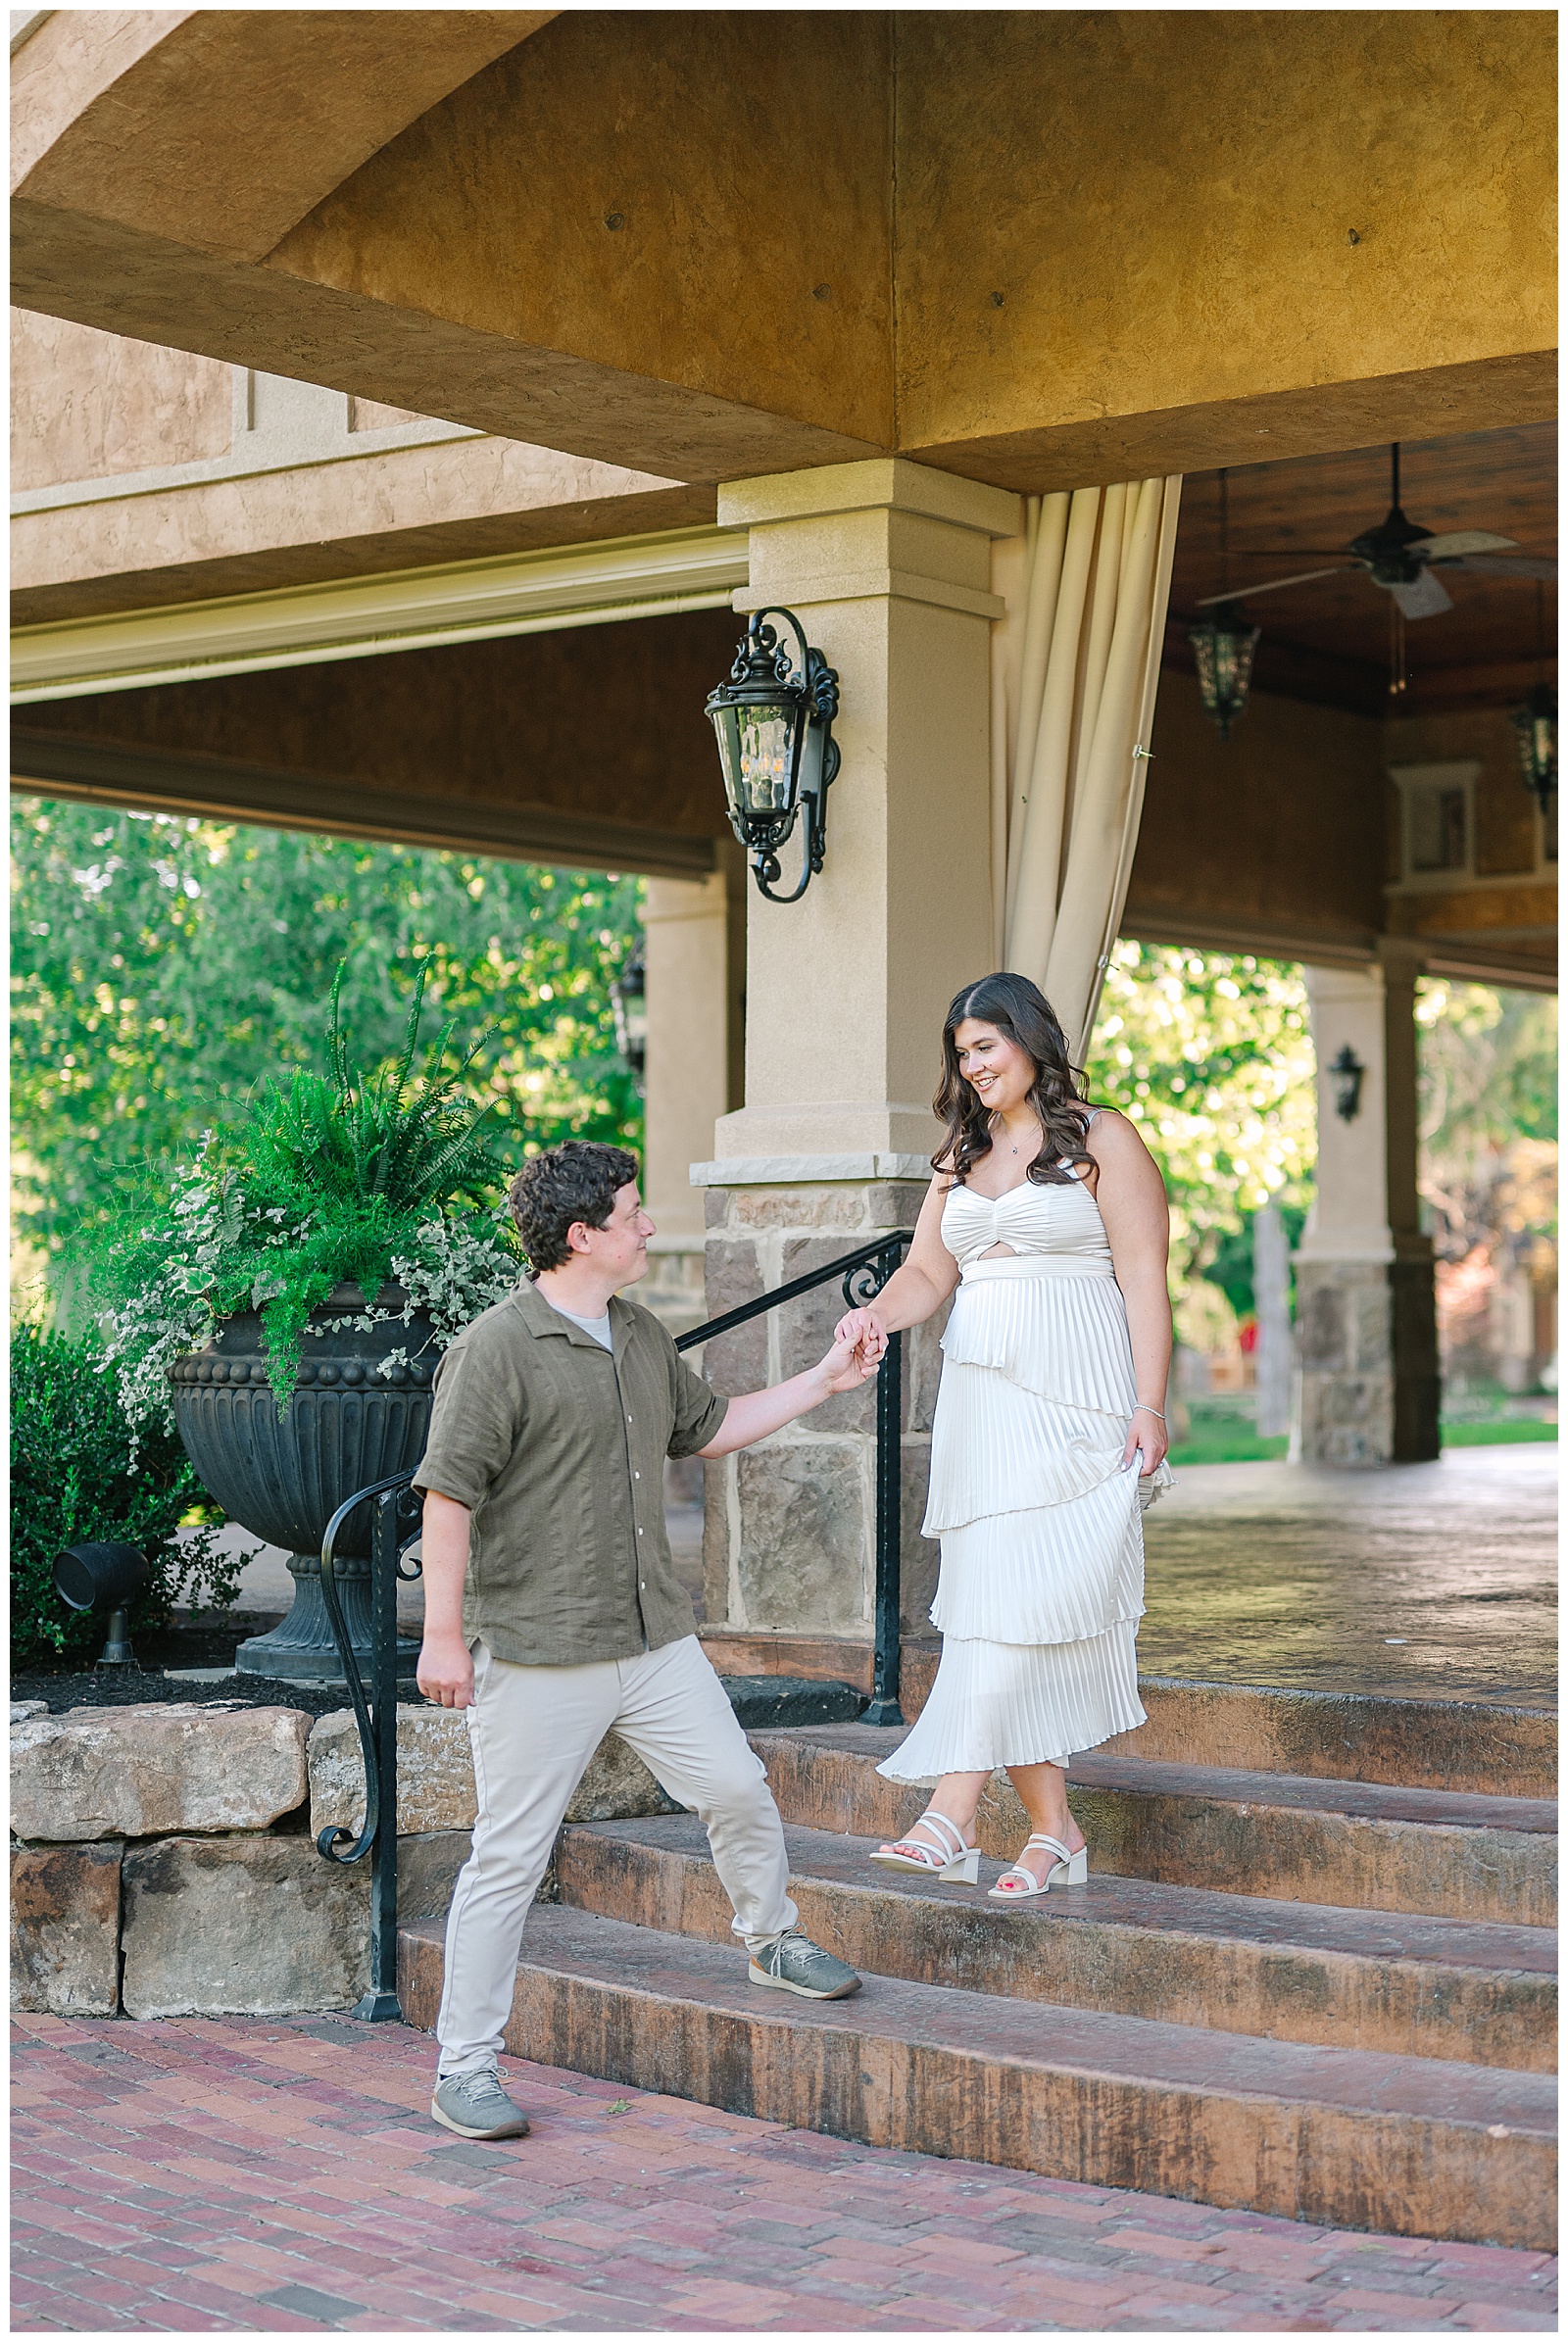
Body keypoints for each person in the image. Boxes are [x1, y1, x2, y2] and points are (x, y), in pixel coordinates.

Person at [415, 1139, 875, 2142]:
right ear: (581, 1235)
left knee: (735, 1785)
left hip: (652, 1639)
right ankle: (464, 2068)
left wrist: (824, 1379)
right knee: (509, 1857)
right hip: (537, 1646)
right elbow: (447, 1495)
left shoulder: (634, 1331)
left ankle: (770, 1937)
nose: (648, 1224)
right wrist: (441, 1638)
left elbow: (705, 1427)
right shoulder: (494, 1347)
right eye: (632, 1212)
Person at [836, 971, 1172, 1901]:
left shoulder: (1103, 1138)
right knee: (994, 1604)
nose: (972, 1066)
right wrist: (875, 1323)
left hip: (1078, 1402)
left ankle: (951, 1812)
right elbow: (924, 1275)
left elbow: (1146, 1276)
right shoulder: (960, 1155)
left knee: (1024, 1604)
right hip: (984, 1409)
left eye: (985, 1046)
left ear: (1029, 1038)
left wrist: (1150, 1403)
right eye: (961, 1054)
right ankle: (1053, 1831)